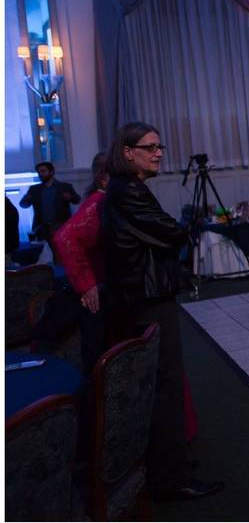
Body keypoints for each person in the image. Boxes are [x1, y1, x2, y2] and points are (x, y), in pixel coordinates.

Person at [102, 122, 223, 500]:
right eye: (150, 147)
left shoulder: (129, 189)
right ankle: (171, 478)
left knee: (165, 383)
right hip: (147, 298)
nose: (158, 153)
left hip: (145, 295)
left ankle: (170, 470)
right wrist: (181, 230)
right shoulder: (127, 192)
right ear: (127, 152)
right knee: (165, 385)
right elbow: (172, 233)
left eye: (160, 147)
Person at [49, 153, 111, 372]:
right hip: (98, 289)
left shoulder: (100, 199)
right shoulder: (99, 202)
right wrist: (87, 285)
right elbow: (64, 238)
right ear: (103, 178)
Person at [19, 161, 80, 245]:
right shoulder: (34, 189)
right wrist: (25, 198)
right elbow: (23, 205)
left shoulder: (65, 187)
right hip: (42, 228)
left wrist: (70, 197)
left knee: (61, 252)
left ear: (52, 172)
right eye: (39, 172)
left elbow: (77, 200)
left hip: (60, 226)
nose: (40, 174)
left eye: (43, 171)